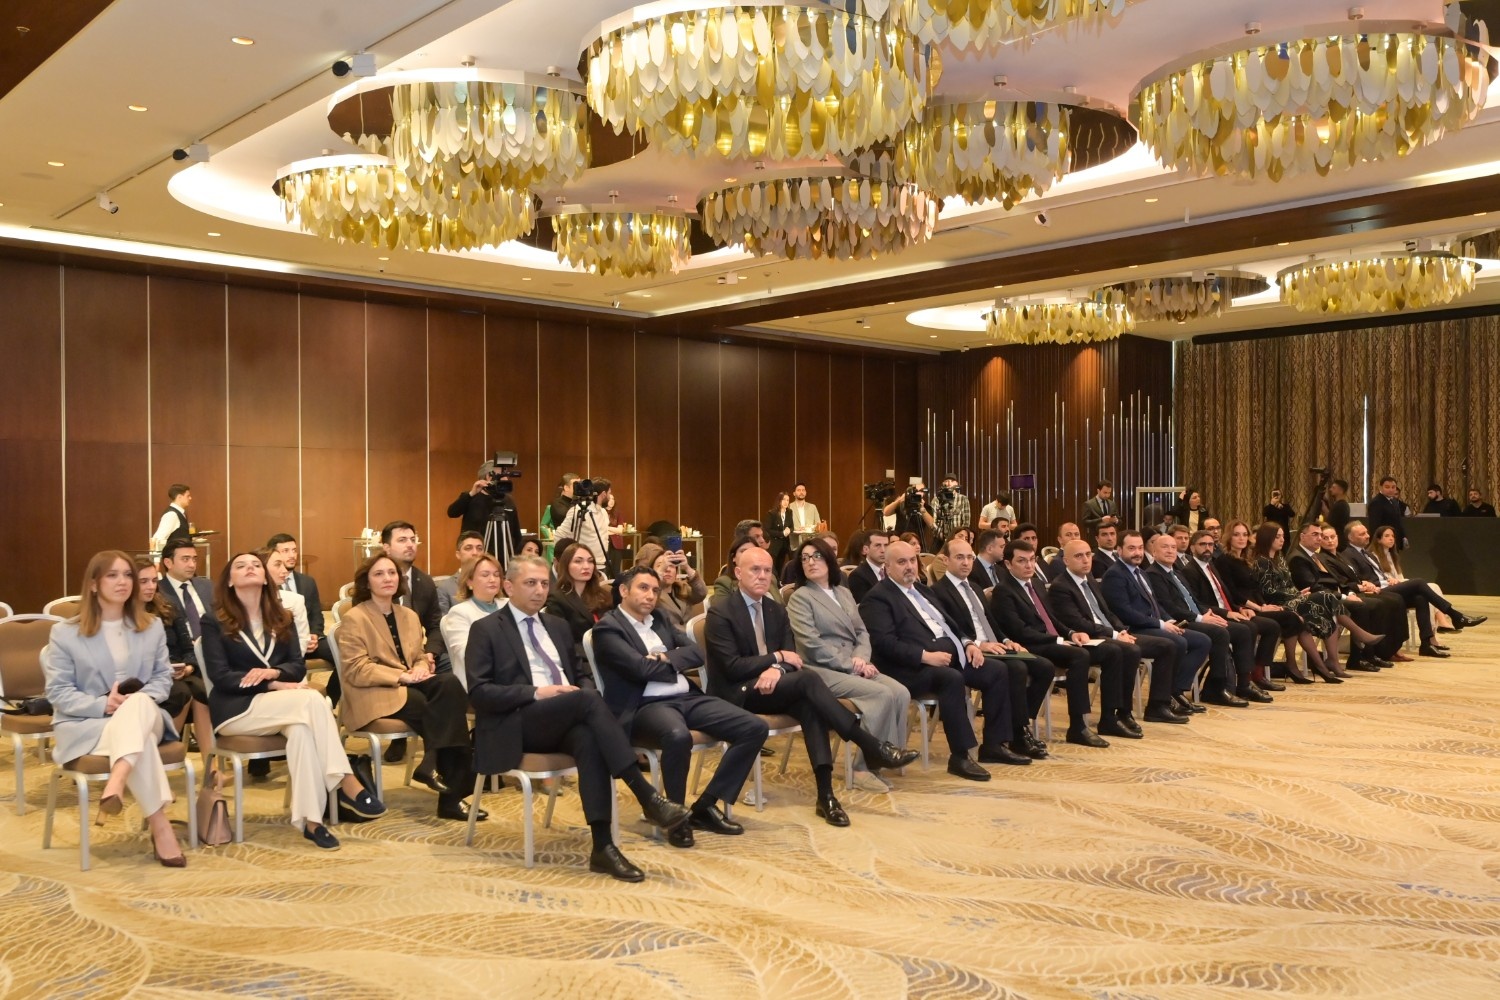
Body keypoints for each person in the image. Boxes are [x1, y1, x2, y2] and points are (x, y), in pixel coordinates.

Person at [463, 554, 692, 882]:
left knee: (589, 738)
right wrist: (536, 693)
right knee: (587, 701)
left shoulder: (557, 626)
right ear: (509, 587)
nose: (540, 590)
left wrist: (580, 692)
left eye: (544, 583)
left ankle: (603, 847)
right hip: (516, 721)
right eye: (530, 583)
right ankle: (646, 795)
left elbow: (581, 674)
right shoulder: (486, 629)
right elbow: (479, 692)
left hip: (565, 717)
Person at [704, 544, 919, 825]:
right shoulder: (721, 612)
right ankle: (870, 744)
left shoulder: (775, 609)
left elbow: (791, 656)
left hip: (773, 686)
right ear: (738, 573)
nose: (762, 576)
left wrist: (777, 668)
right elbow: (733, 667)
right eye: (755, 570)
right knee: (808, 678)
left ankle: (826, 796)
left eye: (767, 570)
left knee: (810, 706)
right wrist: (776, 659)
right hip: (737, 693)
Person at [201, 551, 384, 850]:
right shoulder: (214, 621)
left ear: (265, 578)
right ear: (230, 581)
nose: (250, 568)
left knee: (301, 731)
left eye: (255, 565)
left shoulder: (281, 617)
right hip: (236, 710)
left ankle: (312, 822)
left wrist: (275, 672)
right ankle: (346, 780)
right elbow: (220, 676)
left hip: (281, 708)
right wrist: (272, 683)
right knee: (312, 700)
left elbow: (297, 666)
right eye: (240, 566)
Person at [592, 566, 768, 849]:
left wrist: (662, 658)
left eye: (655, 590)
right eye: (643, 588)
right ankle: (676, 818)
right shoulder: (608, 628)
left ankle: (705, 806)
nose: (651, 595)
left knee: (754, 727)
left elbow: (697, 652)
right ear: (623, 591)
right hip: (645, 706)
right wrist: (671, 661)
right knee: (677, 736)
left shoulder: (660, 618)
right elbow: (640, 669)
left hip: (687, 697)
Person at [43, 550, 187, 866]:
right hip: (89, 725)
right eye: (112, 575)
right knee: (139, 742)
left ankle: (118, 778)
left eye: (127, 575)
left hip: (146, 715)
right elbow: (58, 692)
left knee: (139, 703)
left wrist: (135, 701)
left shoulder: (151, 626)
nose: (122, 582)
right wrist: (102, 704)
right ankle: (161, 826)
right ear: (94, 584)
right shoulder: (65, 633)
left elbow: (162, 679)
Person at [335, 553, 479, 821]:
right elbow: (356, 669)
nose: (387, 578)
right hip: (373, 692)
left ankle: (431, 764)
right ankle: (450, 794)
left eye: (392, 573)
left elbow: (417, 655)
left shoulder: (409, 615)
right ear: (367, 581)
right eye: (379, 574)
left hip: (410, 685)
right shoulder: (356, 617)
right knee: (440, 712)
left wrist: (422, 666)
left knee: (449, 684)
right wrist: (401, 676)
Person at [785, 537, 920, 791]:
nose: (810, 562)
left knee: (901, 692)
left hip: (855, 662)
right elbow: (811, 645)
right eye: (804, 558)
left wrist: (862, 658)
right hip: (821, 670)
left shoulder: (843, 593)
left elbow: (862, 632)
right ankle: (862, 770)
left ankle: (883, 760)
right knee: (881, 694)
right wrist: (852, 664)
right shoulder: (800, 598)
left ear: (829, 560)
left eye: (816, 556)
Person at [990, 539, 1131, 746]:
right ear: (1008, 564)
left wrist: (1071, 633)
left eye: (1032, 559)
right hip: (1030, 644)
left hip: (1053, 641)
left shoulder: (1037, 584)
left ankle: (1109, 717)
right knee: (1079, 656)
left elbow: (1052, 619)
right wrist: (1057, 640)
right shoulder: (1004, 590)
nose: (1029, 565)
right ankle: (1078, 726)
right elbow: (1019, 631)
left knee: (1112, 651)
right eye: (1021, 561)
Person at [927, 537, 1052, 761]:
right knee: (1015, 668)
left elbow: (991, 622)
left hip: (994, 646)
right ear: (946, 560)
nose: (966, 563)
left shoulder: (975, 587)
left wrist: (1006, 640)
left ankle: (1017, 725)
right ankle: (1009, 737)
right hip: (969, 651)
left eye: (969, 557)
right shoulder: (938, 591)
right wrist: (977, 644)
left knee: (1044, 667)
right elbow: (948, 629)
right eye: (959, 557)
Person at [1049, 539, 1181, 728]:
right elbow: (1078, 622)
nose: (1085, 560)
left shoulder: (1089, 580)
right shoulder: (1061, 586)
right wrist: (1114, 634)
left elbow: (1108, 613)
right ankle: (1119, 713)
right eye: (1078, 556)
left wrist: (1122, 631)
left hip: (1110, 634)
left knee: (1167, 645)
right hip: (1088, 638)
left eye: (1088, 555)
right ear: (1066, 561)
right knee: (1129, 650)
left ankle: (1158, 706)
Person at [1099, 530, 1206, 720]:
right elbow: (1124, 612)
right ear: (1119, 550)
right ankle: (1158, 704)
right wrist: (1161, 624)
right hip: (1133, 628)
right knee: (1175, 643)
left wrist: (1168, 620)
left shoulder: (1140, 572)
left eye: (1140, 548)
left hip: (1152, 625)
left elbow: (1155, 604)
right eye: (1132, 548)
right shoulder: (1115, 575)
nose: (1137, 553)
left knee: (1201, 640)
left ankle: (1174, 691)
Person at [1141, 532, 1253, 707]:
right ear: (1153, 552)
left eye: (1173, 547)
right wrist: (1200, 618)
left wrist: (1209, 614)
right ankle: (1216, 687)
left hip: (1195, 617)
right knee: (1219, 633)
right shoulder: (1154, 574)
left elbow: (1195, 601)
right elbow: (1169, 607)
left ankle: (1243, 683)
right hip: (1179, 621)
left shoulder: (1176, 573)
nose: (1170, 551)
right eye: (1165, 547)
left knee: (1243, 629)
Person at [1344, 520, 1484, 652]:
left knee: (1420, 598)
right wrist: (1370, 584)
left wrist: (1389, 580)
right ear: (1350, 537)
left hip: (1386, 586)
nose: (1367, 536)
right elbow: (1355, 579)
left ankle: (1426, 644)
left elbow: (1379, 575)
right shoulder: (1348, 554)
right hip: (1374, 591)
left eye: (1367, 532)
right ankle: (1455, 615)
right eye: (1362, 534)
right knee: (1419, 582)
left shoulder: (1368, 554)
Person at [1179, 530, 1279, 701]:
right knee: (1245, 629)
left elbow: (1226, 595)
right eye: (1202, 544)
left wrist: (1239, 608)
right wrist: (1227, 613)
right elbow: (1198, 603)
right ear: (1193, 547)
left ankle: (1247, 681)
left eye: (1210, 545)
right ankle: (1242, 683)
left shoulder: (1210, 566)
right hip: (1210, 615)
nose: (1207, 548)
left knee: (1256, 626)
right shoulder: (1190, 570)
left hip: (1225, 611)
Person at [1244, 522, 1349, 683]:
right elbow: (1269, 591)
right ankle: (1322, 665)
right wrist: (1296, 595)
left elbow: (1290, 584)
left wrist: (1297, 594)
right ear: (1267, 538)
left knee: (1322, 603)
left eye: (1282, 536)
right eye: (1277, 537)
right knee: (1324, 598)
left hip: (1291, 600)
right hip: (1276, 603)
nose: (1282, 540)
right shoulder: (1261, 561)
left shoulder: (1279, 558)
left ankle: (1320, 665)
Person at [134, 556, 213, 761]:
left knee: (200, 690)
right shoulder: (124, 616)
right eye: (144, 581)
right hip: (148, 676)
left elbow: (189, 649)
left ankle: (210, 768)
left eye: (154, 580)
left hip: (179, 671)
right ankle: (162, 757)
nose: (151, 586)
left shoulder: (167, 607)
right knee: (183, 692)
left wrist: (188, 668)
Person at [1284, 523, 1389, 675]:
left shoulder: (1313, 556)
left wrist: (1349, 592)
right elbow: (1313, 587)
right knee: (1361, 606)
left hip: (1328, 597)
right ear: (1302, 536)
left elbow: (1335, 581)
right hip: (1312, 602)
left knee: (1377, 603)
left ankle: (1367, 652)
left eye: (1320, 535)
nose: (1319, 538)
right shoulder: (1298, 558)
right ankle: (1358, 655)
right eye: (1315, 535)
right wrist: (1345, 596)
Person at [440, 553, 505, 687]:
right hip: (479, 682)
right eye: (485, 575)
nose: (492, 579)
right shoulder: (459, 613)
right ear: (469, 581)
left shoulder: (510, 605)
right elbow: (468, 656)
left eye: (496, 575)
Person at [265, 533, 331, 664]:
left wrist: (314, 635)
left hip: (309, 639)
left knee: (341, 650)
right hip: (282, 643)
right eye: (286, 551)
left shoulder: (308, 582)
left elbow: (317, 615)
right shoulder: (267, 584)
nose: (292, 555)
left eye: (294, 550)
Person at [546, 542, 612, 664]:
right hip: (582, 660)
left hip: (610, 654)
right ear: (566, 565)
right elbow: (562, 642)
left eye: (590, 561)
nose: (586, 566)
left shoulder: (603, 595)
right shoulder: (557, 599)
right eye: (578, 561)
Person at [448, 461, 522, 556]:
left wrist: (518, 555)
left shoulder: (508, 500)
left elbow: (516, 532)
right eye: (502, 475)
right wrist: (471, 493)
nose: (506, 478)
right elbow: (452, 513)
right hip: (476, 554)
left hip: (504, 554)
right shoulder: (471, 497)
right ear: (489, 476)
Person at [553, 478, 615, 576]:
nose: (610, 496)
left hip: (601, 564)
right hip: (583, 566)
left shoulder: (603, 512)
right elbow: (559, 535)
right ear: (603, 494)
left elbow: (604, 537)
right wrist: (563, 560)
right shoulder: (579, 511)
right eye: (609, 493)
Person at [258, 548, 311, 654]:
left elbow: (302, 641)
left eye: (284, 565)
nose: (285, 571)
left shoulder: (295, 600)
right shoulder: (243, 601)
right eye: (278, 565)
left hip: (285, 661)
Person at [158, 538, 212, 642]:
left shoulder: (207, 586)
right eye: (185, 559)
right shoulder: (158, 591)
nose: (192, 565)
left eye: (194, 559)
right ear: (168, 563)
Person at [648, 546, 706, 631]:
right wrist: (658, 575)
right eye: (660, 565)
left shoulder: (682, 588)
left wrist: (687, 567)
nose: (667, 569)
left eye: (671, 566)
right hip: (667, 637)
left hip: (689, 636)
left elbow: (702, 593)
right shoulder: (651, 593)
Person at [436, 531, 486, 613]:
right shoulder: (445, 588)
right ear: (458, 554)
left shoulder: (492, 582)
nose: (475, 553)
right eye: (468, 548)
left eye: (479, 548)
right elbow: (443, 619)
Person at [882, 480, 936, 552]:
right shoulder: (902, 504)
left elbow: (931, 525)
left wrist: (922, 509)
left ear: (924, 493)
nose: (918, 493)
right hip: (901, 541)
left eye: (921, 491)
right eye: (915, 490)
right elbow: (886, 512)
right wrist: (899, 500)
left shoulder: (926, 507)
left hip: (917, 543)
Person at [844, 529, 890, 604]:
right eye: (878, 545)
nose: (883, 550)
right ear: (866, 549)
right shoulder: (857, 576)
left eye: (886, 545)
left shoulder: (892, 571)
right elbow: (864, 606)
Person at [150, 484, 194, 553]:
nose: (190, 498)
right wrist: (156, 558)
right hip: (174, 556)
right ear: (179, 497)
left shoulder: (180, 513)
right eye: (188, 496)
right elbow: (158, 538)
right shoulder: (171, 514)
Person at [932, 473, 972, 542]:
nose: (949, 483)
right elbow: (933, 521)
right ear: (943, 483)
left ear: (956, 484)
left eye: (952, 481)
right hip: (940, 538)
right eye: (946, 481)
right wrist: (940, 535)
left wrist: (960, 536)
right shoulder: (937, 499)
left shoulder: (963, 499)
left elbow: (966, 522)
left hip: (958, 539)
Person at [765, 491, 792, 573]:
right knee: (773, 567)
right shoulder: (772, 513)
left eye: (787, 500)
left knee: (781, 567)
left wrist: (789, 530)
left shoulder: (789, 512)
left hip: (784, 545)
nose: (786, 502)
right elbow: (768, 530)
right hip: (774, 545)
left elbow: (792, 526)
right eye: (784, 499)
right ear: (779, 501)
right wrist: (782, 534)